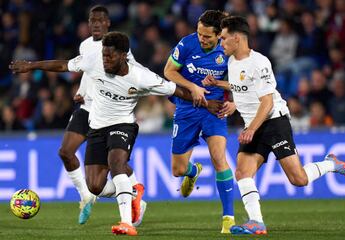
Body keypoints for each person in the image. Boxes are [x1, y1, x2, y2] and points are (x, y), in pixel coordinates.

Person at [202, 15, 345, 235]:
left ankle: (331, 164)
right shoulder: (232, 62)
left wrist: (251, 129)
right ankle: (256, 222)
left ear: (237, 38)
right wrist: (221, 85)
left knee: (299, 179)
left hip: (274, 122)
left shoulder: (260, 62)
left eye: (225, 38)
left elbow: (266, 102)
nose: (221, 43)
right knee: (242, 172)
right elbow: (241, 86)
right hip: (254, 125)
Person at [67, 31, 219, 235]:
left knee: (116, 164)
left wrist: (206, 104)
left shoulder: (141, 76)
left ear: (122, 55)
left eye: (109, 56)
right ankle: (132, 193)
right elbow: (62, 65)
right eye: (104, 55)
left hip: (123, 124)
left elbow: (174, 90)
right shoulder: (95, 62)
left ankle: (126, 223)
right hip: (97, 127)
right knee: (95, 186)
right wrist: (30, 66)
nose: (105, 60)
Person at [9, 5, 146, 226]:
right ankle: (87, 195)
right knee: (65, 152)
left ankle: (133, 191)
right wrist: (83, 91)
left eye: (100, 20)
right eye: (92, 20)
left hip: (108, 113)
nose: (96, 24)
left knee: (113, 162)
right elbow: (79, 68)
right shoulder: (85, 45)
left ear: (108, 23)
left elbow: (126, 75)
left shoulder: (118, 46)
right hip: (87, 108)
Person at [163, 10, 235, 233]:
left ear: (219, 35)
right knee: (178, 170)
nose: (202, 39)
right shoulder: (187, 44)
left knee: (219, 158)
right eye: (200, 34)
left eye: (207, 37)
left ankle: (228, 218)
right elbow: (168, 71)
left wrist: (234, 103)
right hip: (187, 109)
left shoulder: (228, 51)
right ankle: (193, 172)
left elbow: (242, 82)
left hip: (215, 109)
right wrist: (193, 87)